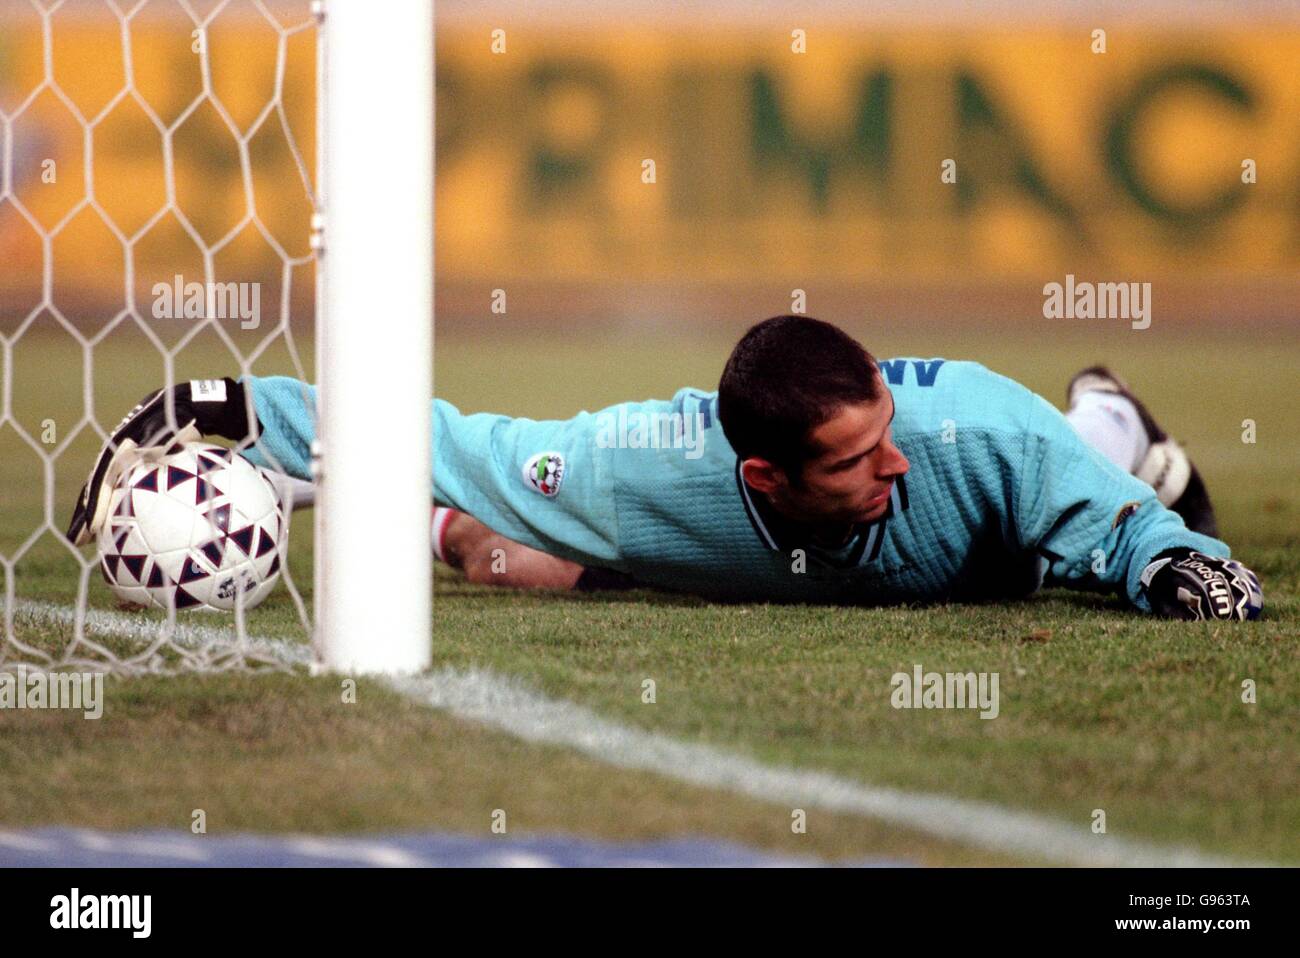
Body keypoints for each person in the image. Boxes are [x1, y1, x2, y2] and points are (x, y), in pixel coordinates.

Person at [67, 316, 1262, 620]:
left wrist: (1179, 568)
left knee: (1088, 472)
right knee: (530, 558)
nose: (886, 460)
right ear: (762, 479)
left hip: (1019, 500)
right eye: (851, 458)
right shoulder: (649, 468)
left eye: (882, 428)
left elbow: (1123, 535)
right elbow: (448, 439)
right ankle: (446, 537)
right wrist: (230, 404)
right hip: (724, 548)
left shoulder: (968, 440)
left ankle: (1107, 410)